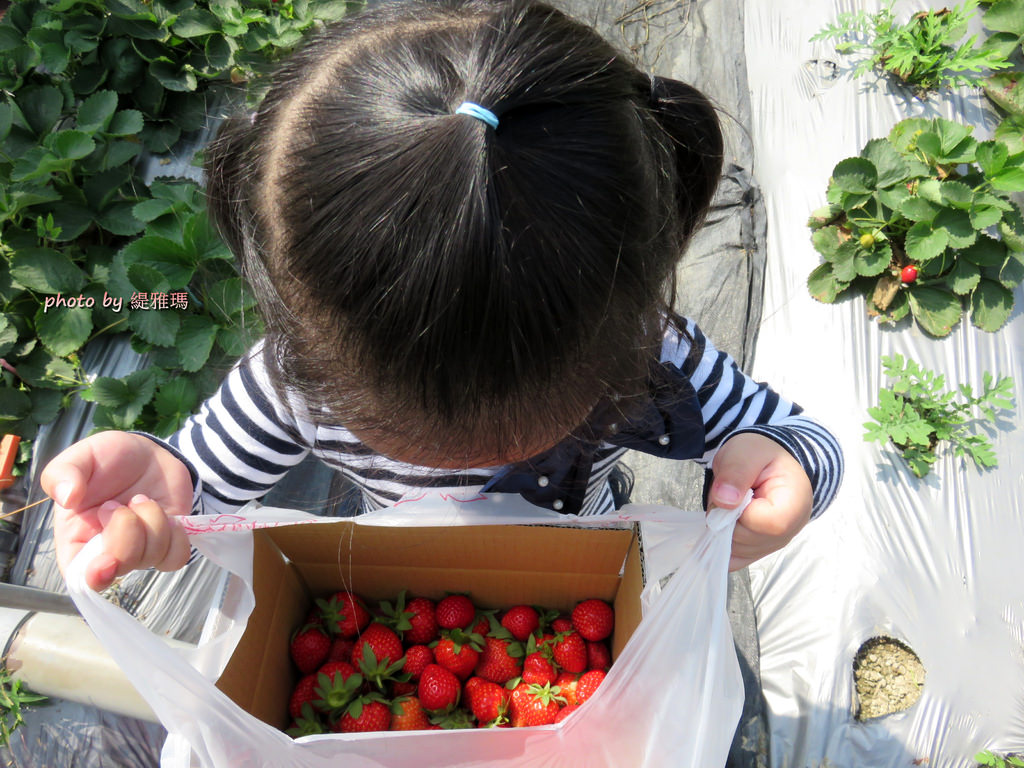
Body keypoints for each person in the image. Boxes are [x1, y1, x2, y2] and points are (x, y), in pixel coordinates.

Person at [41, 0, 842, 593]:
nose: (476, 464)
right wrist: (174, 489)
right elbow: (201, 484)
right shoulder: (291, 382)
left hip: (579, 556)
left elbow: (803, 439)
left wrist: (782, 469)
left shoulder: (649, 354)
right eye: (412, 437)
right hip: (410, 568)